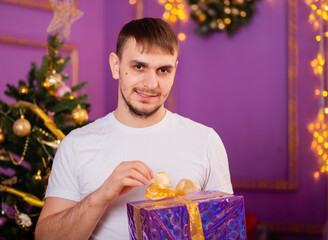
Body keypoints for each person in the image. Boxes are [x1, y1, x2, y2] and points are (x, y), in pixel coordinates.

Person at [35, 17, 233, 240]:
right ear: (116, 66)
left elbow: (224, 232)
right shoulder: (76, 144)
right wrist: (101, 196)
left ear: (175, 70)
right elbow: (45, 237)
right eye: (139, 67)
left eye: (164, 70)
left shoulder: (205, 140)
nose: (151, 83)